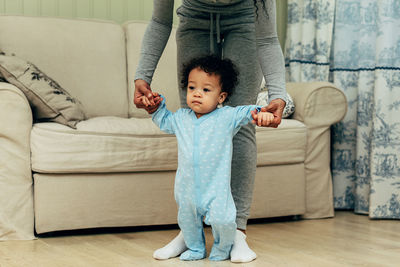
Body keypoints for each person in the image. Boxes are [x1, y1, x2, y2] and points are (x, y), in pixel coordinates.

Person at [134, 0, 286, 263]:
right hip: (195, 21)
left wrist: (278, 94)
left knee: (241, 123)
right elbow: (160, 21)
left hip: (246, 21)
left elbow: (268, 39)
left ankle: (237, 231)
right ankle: (189, 231)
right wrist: (142, 77)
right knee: (193, 119)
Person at [141, 55, 274, 261]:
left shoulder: (226, 117)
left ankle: (223, 248)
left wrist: (261, 113)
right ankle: (195, 248)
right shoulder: (181, 118)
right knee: (187, 219)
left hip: (216, 187)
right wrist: (155, 107)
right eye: (192, 88)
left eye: (206, 90)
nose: (197, 94)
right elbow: (164, 120)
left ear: (221, 97)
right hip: (186, 187)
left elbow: (248, 111)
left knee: (224, 219)